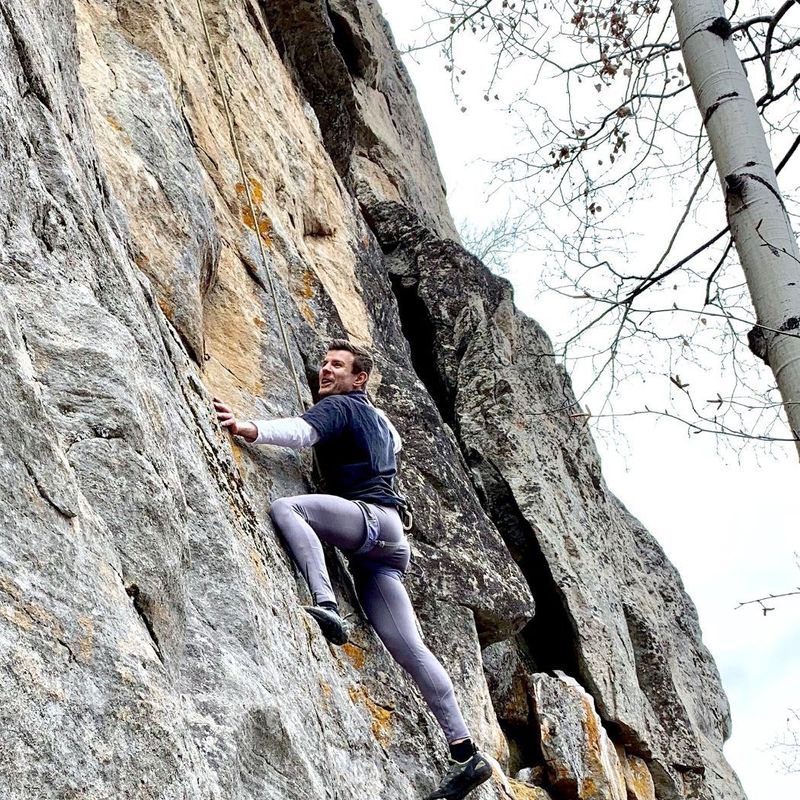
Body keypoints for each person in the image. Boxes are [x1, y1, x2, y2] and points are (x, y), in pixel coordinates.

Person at [214, 339, 493, 800]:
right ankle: (465, 751)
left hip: (370, 520)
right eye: (323, 364)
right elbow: (392, 446)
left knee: (289, 508)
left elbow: (302, 433)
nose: (325, 370)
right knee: (411, 649)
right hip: (388, 546)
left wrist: (248, 427)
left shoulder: (342, 405)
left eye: (337, 365)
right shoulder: (381, 421)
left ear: (358, 378)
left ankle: (325, 602)